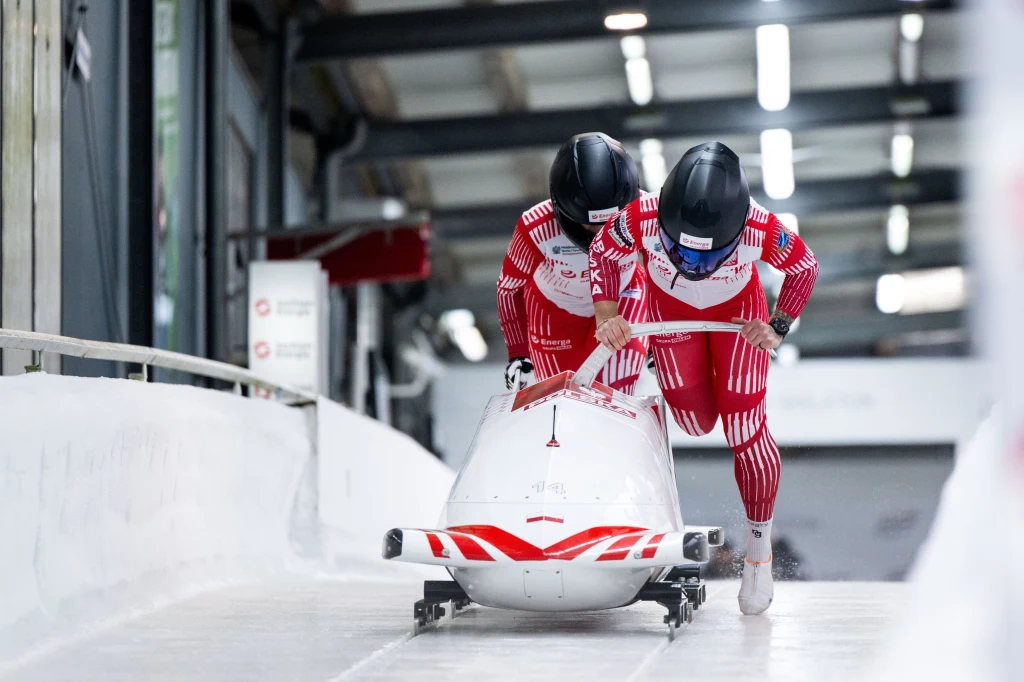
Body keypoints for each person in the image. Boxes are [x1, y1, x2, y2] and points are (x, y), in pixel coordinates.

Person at [589, 141, 819, 615]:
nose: (691, 268)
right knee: (694, 423)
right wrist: (606, 315)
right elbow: (601, 252)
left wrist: (777, 325)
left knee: (743, 428)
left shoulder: (760, 227)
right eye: (679, 254)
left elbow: (804, 266)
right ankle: (665, 364)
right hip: (671, 320)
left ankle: (758, 553)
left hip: (739, 321)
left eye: (704, 258)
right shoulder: (639, 218)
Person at [497, 133, 649, 393]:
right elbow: (509, 288)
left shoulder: (647, 212)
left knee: (614, 391)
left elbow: (663, 275)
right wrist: (518, 352)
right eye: (591, 224)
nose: (601, 233)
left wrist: (660, 342)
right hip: (554, 313)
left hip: (624, 296)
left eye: (611, 222)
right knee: (564, 396)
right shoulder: (535, 227)